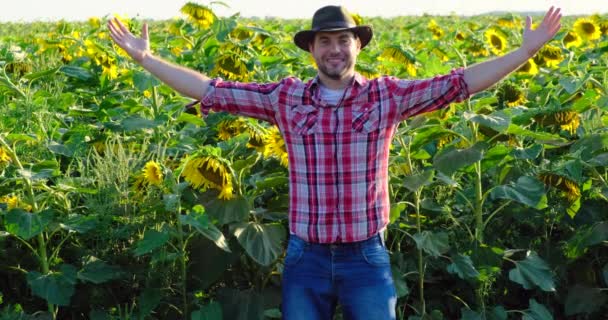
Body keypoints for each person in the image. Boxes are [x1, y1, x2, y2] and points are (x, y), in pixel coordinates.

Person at [108, 5, 561, 320]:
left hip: (366, 255)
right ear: (312, 49)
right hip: (305, 255)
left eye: (343, 40)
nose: (334, 50)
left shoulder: (386, 95)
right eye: (325, 41)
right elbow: (210, 90)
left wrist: (525, 52)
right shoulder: (286, 97)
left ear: (357, 45)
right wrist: (146, 59)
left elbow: (460, 83)